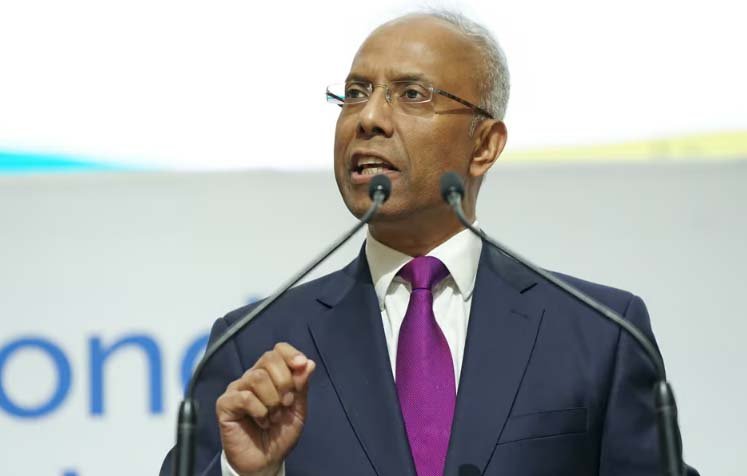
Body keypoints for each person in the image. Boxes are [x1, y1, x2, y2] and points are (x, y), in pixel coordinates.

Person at [160, 10, 698, 476]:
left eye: (412, 95)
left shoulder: (600, 333)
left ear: (484, 145)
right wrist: (246, 474)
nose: (369, 118)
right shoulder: (254, 344)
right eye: (355, 94)